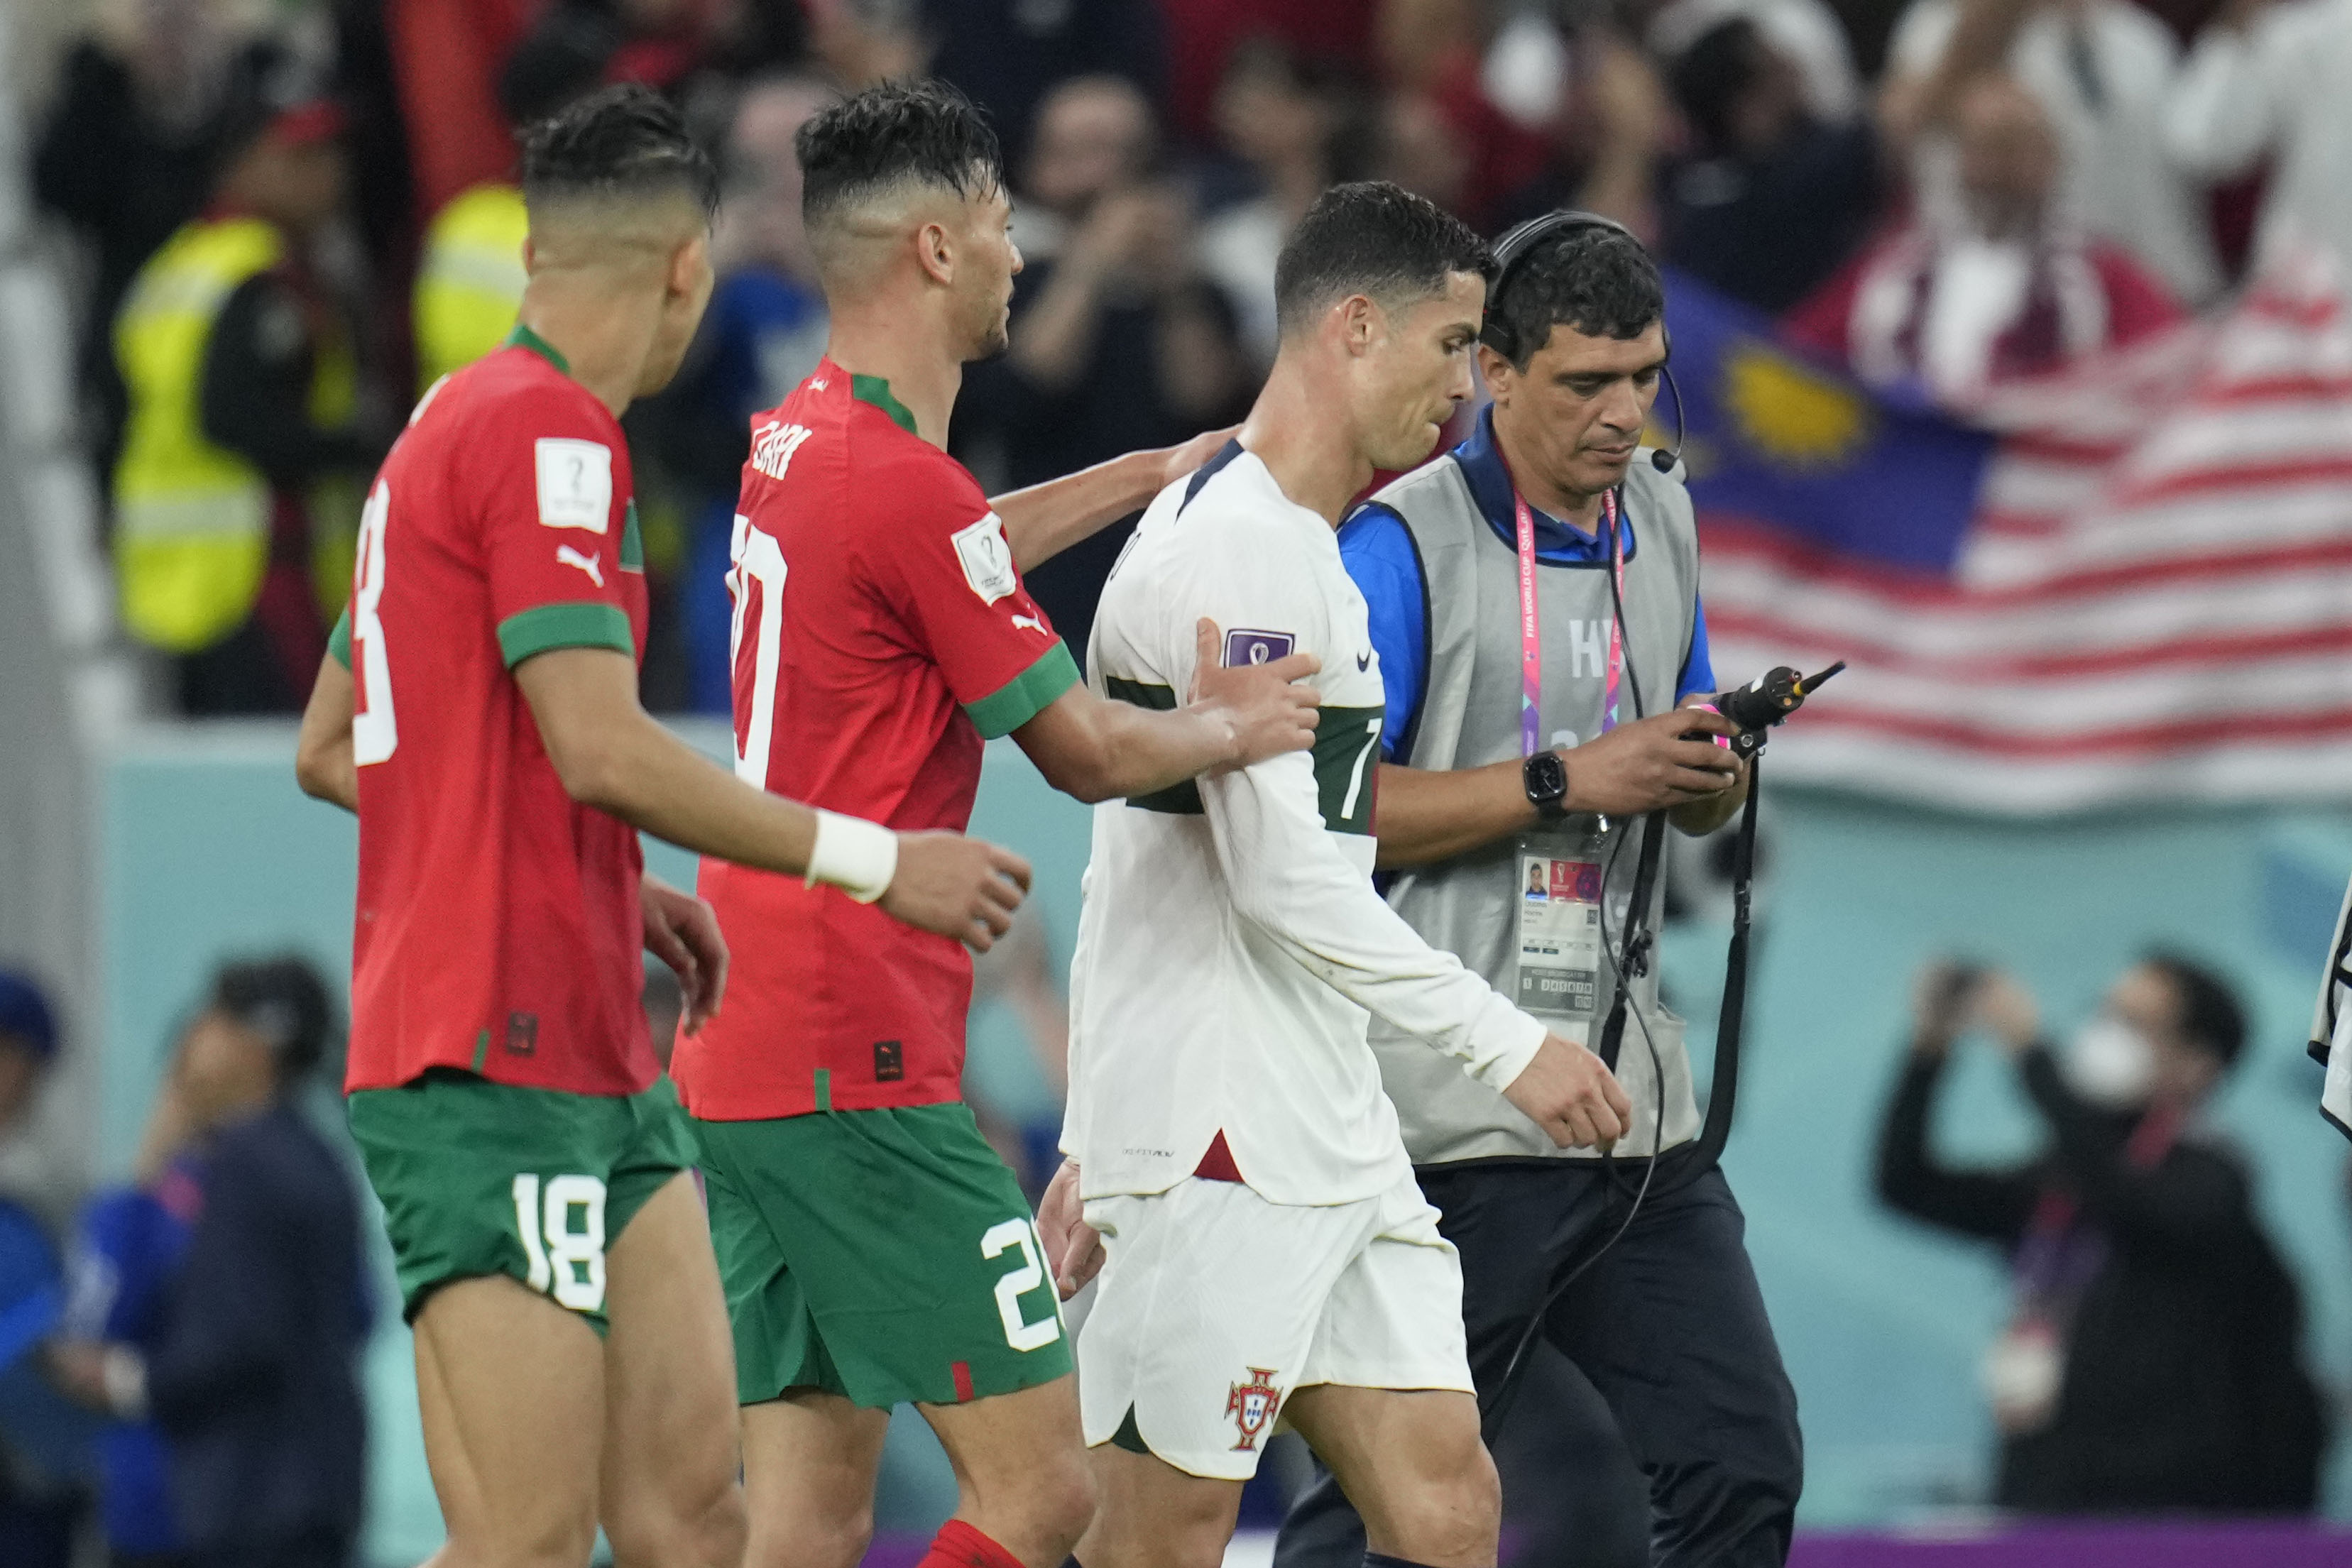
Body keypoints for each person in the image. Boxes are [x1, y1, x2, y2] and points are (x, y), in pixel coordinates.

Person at [290, 84, 1037, 1568]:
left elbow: (338, 746)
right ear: (687, 270)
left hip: (595, 1057)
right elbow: (599, 741)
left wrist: (611, 887)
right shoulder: (552, 439)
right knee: (526, 1543)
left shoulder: (449, 425)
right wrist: (880, 861)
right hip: (483, 1059)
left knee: (695, 1519)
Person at [664, 80, 1324, 1568]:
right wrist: (1239, 719)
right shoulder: (898, 485)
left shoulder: (802, 446)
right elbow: (1085, 753)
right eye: (999, 226)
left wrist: (1144, 477)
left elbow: (945, 548)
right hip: (862, 1054)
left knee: (811, 1519)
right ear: (933, 250)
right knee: (1043, 1495)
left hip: (748, 1044)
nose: (1022, 254)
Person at [1037, 181, 1639, 1568]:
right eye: (1452, 350)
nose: (1468, 395)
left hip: (1325, 1126)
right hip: (1213, 1140)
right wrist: (1507, 1047)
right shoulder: (1239, 554)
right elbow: (1284, 884)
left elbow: (1324, 833)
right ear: (1354, 329)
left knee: (1445, 1504)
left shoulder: (1307, 556)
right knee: (1156, 1541)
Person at [1265, 214, 1800, 1568]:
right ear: (1491, 370)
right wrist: (1570, 778)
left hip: (1627, 1112)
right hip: (1445, 1112)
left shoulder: (1665, 515)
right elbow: (1326, 814)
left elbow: (1681, 759)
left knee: (1740, 1460)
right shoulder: (1394, 547)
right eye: (1583, 383)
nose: (1623, 413)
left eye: (1644, 376)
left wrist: (1705, 769)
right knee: (1385, 1517)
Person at [1876, 955, 2327, 1512]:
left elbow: (2130, 1198)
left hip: (2174, 1514)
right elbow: (1904, 1184)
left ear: (2196, 1064)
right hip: (2045, 1493)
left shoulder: (2213, 1180)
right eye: (2103, 1011)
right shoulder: (2058, 1183)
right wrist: (1930, 1046)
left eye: (2134, 1022)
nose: (2104, 1032)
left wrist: (2029, 1052)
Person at [53, 959, 373, 1568]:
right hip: (308, 1494)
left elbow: (242, 1338)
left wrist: (127, 1380)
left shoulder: (245, 1161)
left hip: (251, 1501)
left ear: (254, 1046)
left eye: (214, 1021)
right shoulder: (316, 1158)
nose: (196, 1038)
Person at [111, 90, 381, 716]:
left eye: (332, 155)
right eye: (300, 156)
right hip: (256, 574)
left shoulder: (185, 262)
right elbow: (234, 419)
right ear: (239, 167)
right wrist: (367, 447)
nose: (329, 176)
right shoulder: (259, 277)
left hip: (188, 580)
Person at [1785, 72, 2182, 405]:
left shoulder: (2104, 278)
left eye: (2013, 149)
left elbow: (2173, 365)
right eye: (1981, 149)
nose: (1995, 171)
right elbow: (1795, 357)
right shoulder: (1892, 271)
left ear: (2051, 161)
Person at [1878, 0, 2221, 306]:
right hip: (2021, 301)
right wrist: (1989, 25)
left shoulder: (2134, 33)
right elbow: (1903, 126)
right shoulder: (1946, 22)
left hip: (2166, 289)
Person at [2164, 0, 2352, 280]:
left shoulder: (2303, 30)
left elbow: (2198, 141)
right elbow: (2200, 143)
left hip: (2313, 281)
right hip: (2313, 287)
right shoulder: (2306, 33)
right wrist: (2236, 35)